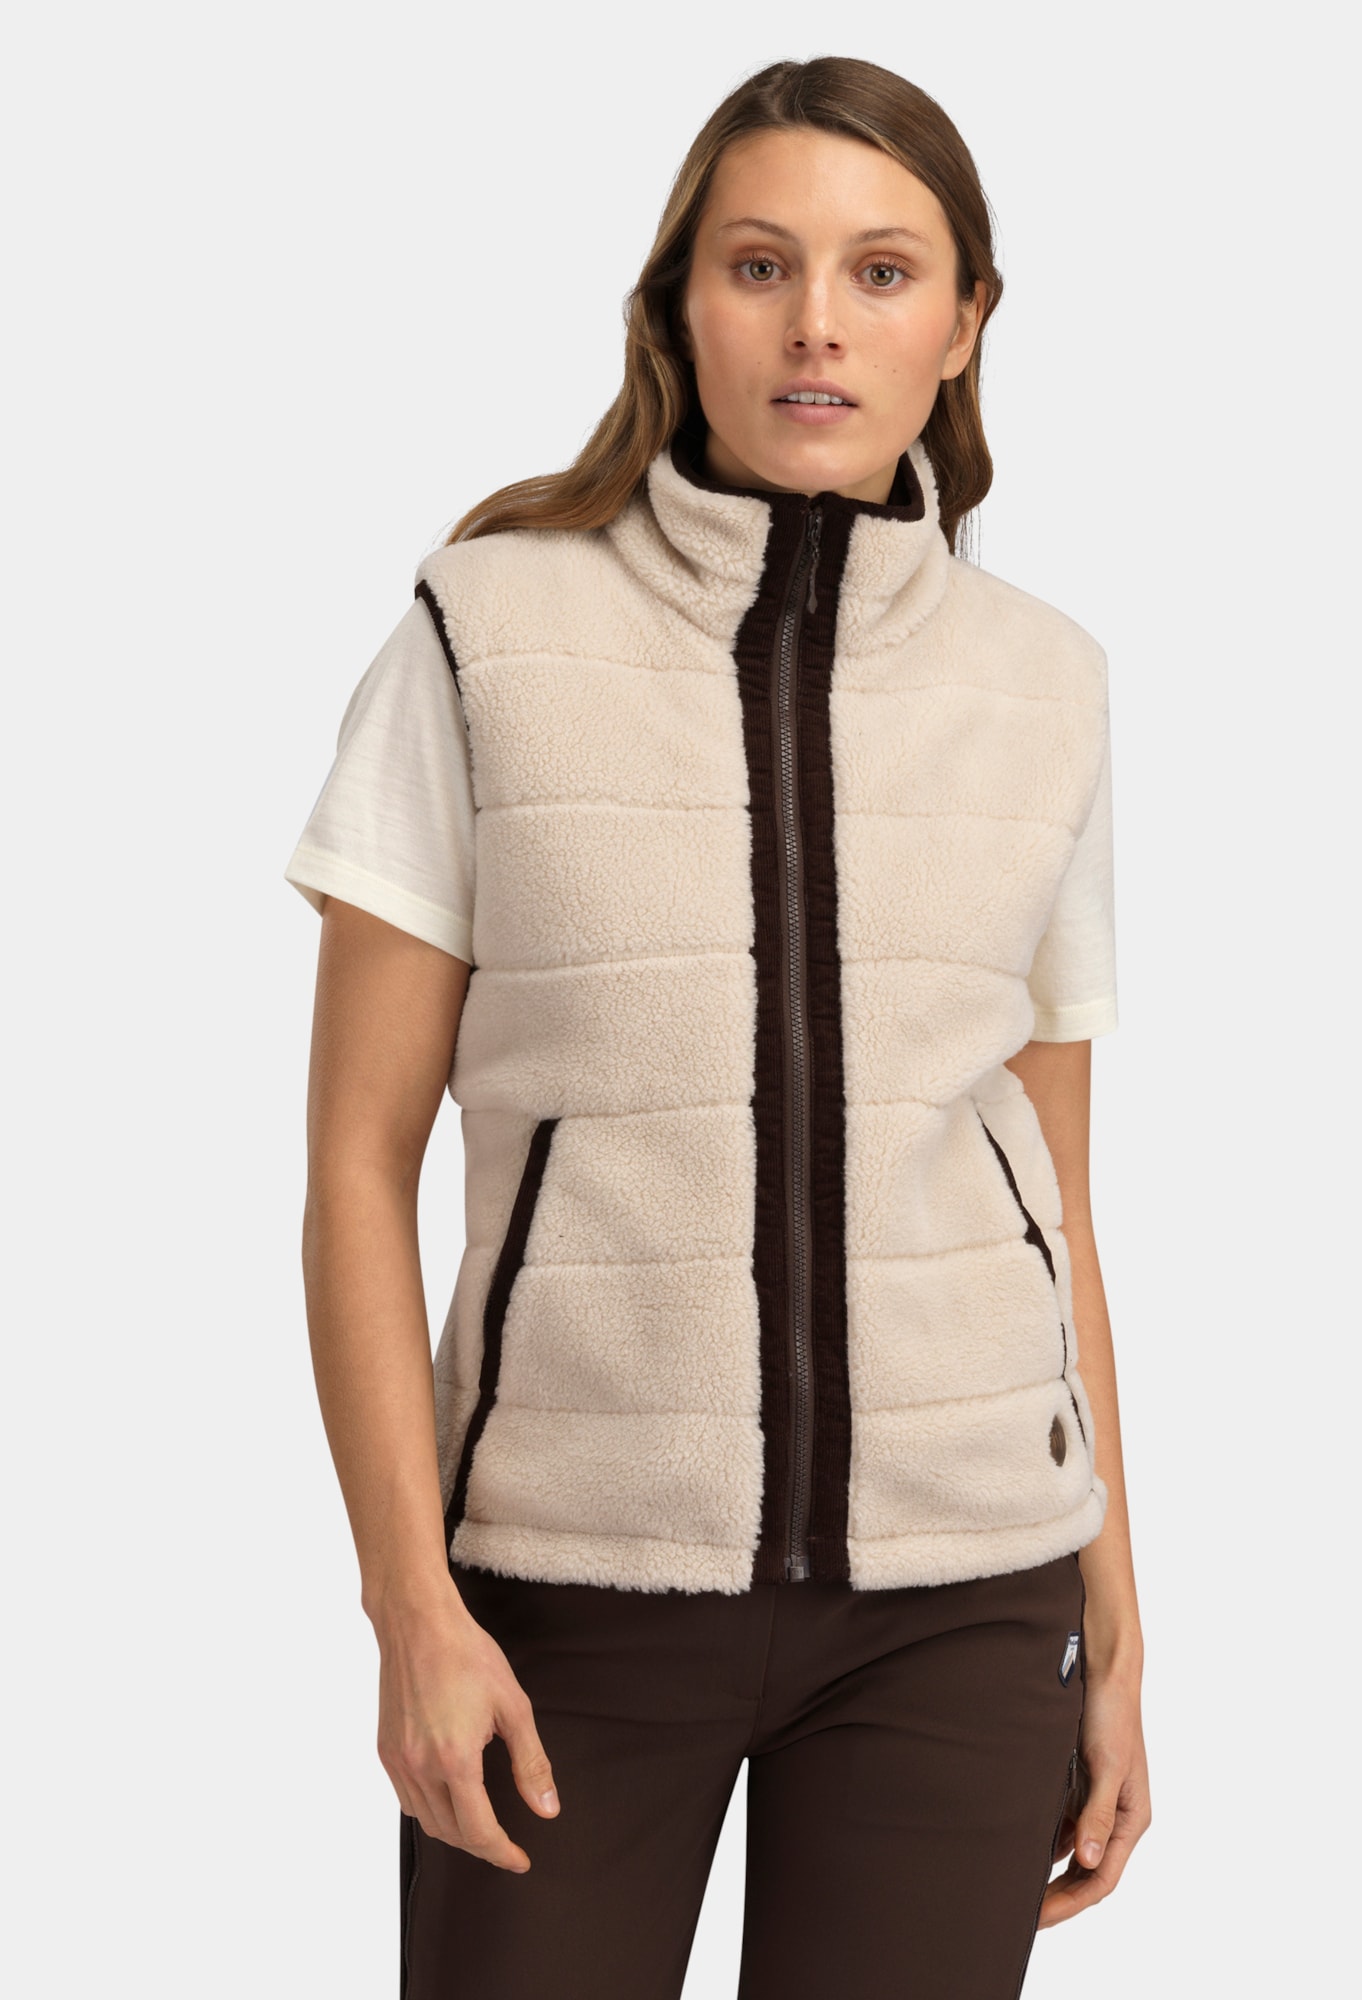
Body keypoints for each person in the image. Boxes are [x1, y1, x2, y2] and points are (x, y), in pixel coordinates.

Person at [288, 53, 1149, 2000]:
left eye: (882, 271)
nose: (819, 323)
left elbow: (1058, 1198)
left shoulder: (1047, 688)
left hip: (964, 1603)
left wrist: (1117, 1624)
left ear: (965, 321)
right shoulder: (488, 630)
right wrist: (411, 1608)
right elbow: (355, 1162)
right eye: (762, 265)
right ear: (682, 302)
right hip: (566, 1593)